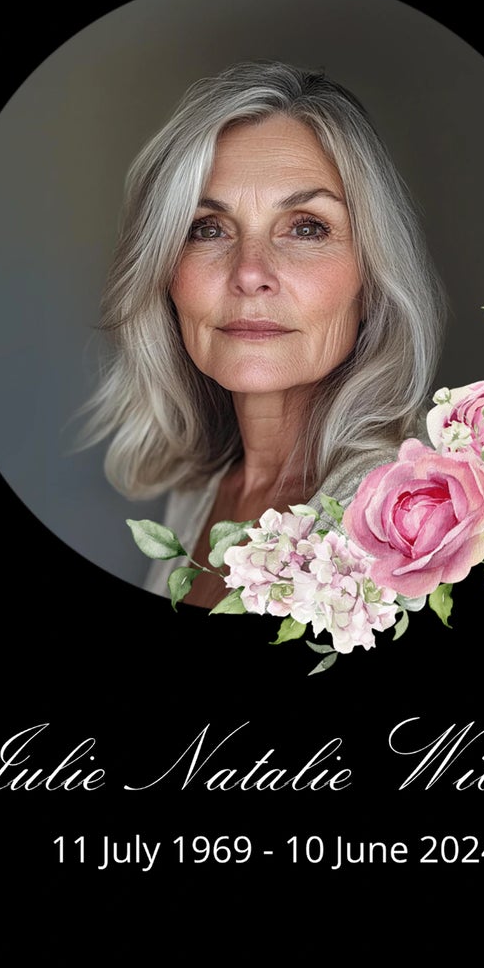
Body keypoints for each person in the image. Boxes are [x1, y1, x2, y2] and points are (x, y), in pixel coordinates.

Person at [83, 61, 447, 605]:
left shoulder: (417, 519)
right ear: (164, 273)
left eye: (306, 227)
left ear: (372, 279)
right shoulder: (198, 493)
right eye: (208, 229)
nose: (250, 272)